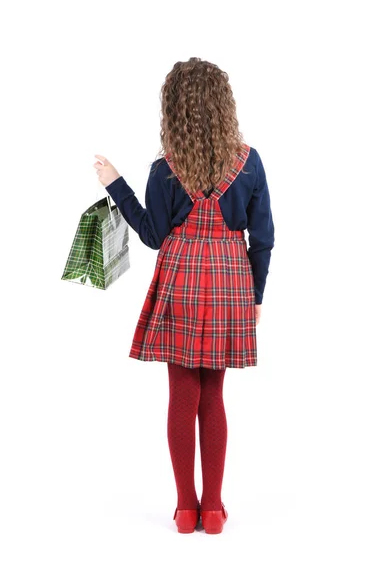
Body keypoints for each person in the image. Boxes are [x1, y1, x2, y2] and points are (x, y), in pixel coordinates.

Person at [93, 57, 275, 534]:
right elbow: (264, 236)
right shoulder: (249, 162)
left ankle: (185, 508)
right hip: (231, 281)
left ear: (173, 110)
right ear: (223, 106)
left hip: (181, 279)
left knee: (181, 394)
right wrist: (255, 294)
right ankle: (213, 511)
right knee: (213, 393)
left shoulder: (165, 168)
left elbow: (153, 235)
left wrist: (115, 183)